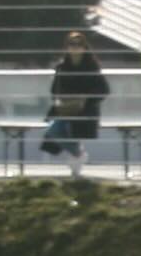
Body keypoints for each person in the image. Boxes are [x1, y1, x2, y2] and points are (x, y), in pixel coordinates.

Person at [39, 28, 110, 178]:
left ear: (84, 47)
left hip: (85, 111)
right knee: (54, 131)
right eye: (72, 44)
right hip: (65, 109)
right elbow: (54, 90)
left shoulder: (92, 67)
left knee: (72, 131)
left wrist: (86, 99)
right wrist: (62, 99)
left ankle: (76, 161)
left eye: (79, 44)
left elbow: (104, 90)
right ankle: (77, 153)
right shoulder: (62, 67)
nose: (75, 47)